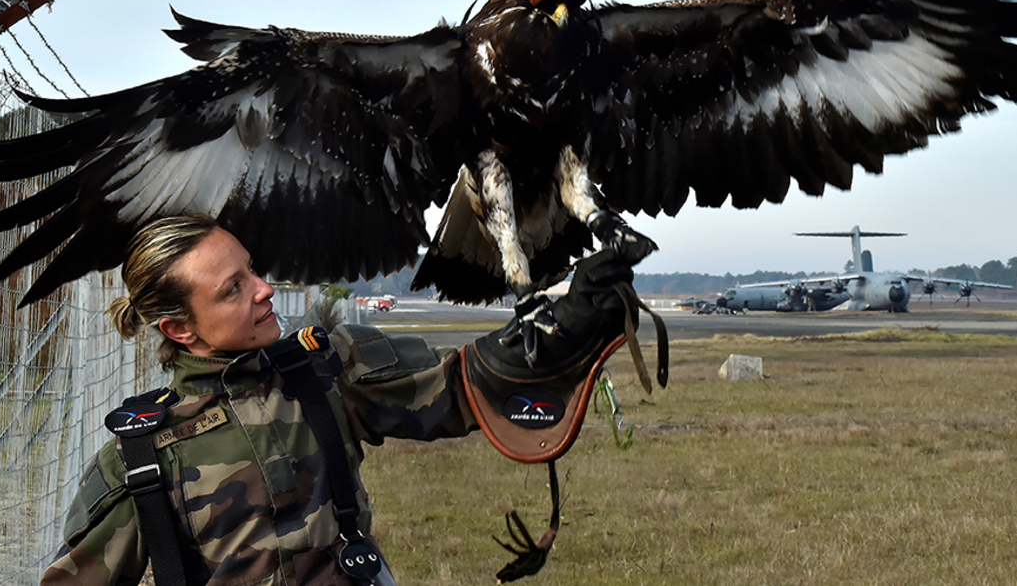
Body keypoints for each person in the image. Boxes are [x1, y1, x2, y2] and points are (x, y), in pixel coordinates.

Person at [41, 214, 637, 585]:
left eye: (252, 270)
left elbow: (455, 389)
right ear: (179, 329)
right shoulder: (142, 459)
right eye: (234, 288)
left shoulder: (328, 366)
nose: (264, 289)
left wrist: (558, 329)